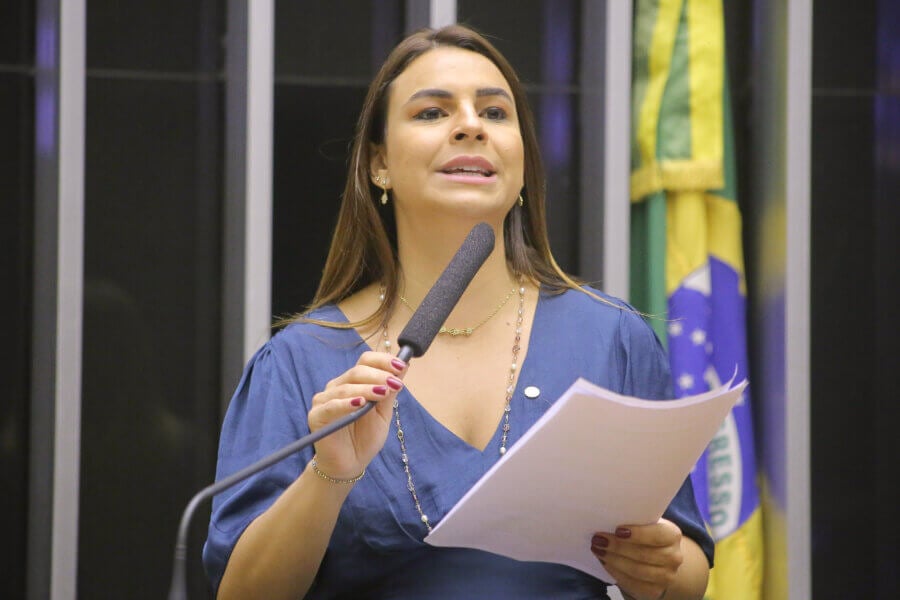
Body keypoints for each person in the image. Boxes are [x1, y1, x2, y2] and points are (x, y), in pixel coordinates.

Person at [203, 24, 714, 600]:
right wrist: (331, 475)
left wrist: (660, 569)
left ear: (520, 166)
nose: (471, 125)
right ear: (379, 165)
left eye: (495, 113)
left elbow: (689, 567)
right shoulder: (300, 360)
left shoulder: (612, 337)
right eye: (431, 113)